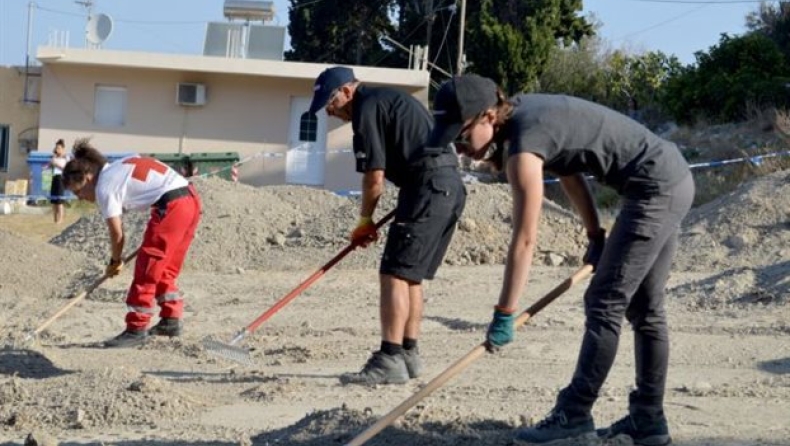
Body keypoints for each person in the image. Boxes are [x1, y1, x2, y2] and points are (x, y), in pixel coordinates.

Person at [428, 74, 694, 446]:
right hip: (670, 176)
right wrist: (594, 234)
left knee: (604, 302)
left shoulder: (524, 146)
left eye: (461, 135)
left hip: (653, 188)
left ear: (488, 116)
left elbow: (525, 239)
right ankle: (648, 420)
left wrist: (505, 312)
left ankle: (574, 413)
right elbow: (568, 170)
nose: (459, 148)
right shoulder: (525, 116)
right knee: (645, 307)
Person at [309, 66, 466, 385]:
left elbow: (373, 176)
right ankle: (408, 354)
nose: (330, 111)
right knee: (410, 276)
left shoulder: (367, 108)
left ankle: (390, 357)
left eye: (331, 103)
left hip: (428, 186)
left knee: (394, 273)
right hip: (447, 185)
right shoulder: (385, 100)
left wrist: (365, 221)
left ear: (347, 91)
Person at [61, 139, 202, 348]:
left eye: (78, 191)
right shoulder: (120, 165)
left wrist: (115, 261)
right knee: (165, 268)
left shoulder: (104, 187)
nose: (81, 197)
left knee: (148, 267)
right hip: (190, 199)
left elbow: (117, 234)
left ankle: (136, 328)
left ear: (88, 177)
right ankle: (170, 320)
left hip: (172, 205)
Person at [47, 139, 70, 224]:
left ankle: (60, 219)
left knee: (59, 200)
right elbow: (48, 167)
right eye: (56, 148)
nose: (57, 149)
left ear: (63, 148)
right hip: (54, 177)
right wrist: (51, 162)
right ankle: (55, 219)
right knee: (54, 200)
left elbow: (66, 169)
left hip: (61, 178)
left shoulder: (66, 157)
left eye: (59, 148)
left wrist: (56, 164)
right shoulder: (54, 157)